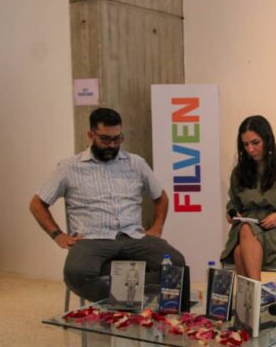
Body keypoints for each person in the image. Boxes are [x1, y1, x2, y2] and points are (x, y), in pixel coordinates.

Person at [29, 108, 185, 302]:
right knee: (76, 274)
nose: (112, 145)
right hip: (91, 240)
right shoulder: (69, 167)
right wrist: (57, 235)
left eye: (117, 139)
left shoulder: (136, 163)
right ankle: (126, 302)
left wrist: (157, 226)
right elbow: (37, 204)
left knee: (175, 264)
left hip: (134, 237)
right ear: (91, 135)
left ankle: (127, 299)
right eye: (105, 139)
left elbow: (160, 197)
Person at [221, 115, 276, 280]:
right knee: (245, 232)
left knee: (240, 251)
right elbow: (233, 204)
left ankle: (252, 292)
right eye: (245, 144)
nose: (250, 149)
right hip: (249, 231)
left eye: (255, 143)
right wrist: (232, 213)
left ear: (267, 139)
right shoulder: (239, 172)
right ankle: (255, 291)